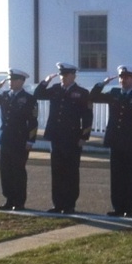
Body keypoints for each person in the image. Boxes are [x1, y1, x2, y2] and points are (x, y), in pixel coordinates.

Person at [90, 65, 132, 217]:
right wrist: (102, 83)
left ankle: (129, 208)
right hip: (116, 141)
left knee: (130, 176)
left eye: (126, 77)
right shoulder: (114, 93)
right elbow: (93, 97)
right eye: (121, 77)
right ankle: (118, 207)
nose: (123, 80)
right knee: (116, 176)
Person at [34, 62, 93, 213]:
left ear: (73, 76)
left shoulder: (82, 92)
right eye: (61, 75)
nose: (63, 78)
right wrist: (45, 81)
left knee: (71, 172)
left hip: (72, 137)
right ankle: (58, 203)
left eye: (65, 75)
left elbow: (87, 116)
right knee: (57, 171)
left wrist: (84, 136)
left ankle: (69, 204)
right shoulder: (55, 90)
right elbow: (37, 94)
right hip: (56, 136)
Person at [0, 68, 38, 211]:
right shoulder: (5, 96)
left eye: (13, 80)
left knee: (18, 171)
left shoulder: (29, 99)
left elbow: (33, 121)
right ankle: (9, 199)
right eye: (9, 80)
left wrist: (30, 140)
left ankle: (19, 201)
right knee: (5, 171)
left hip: (19, 140)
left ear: (21, 81)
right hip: (5, 139)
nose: (10, 83)